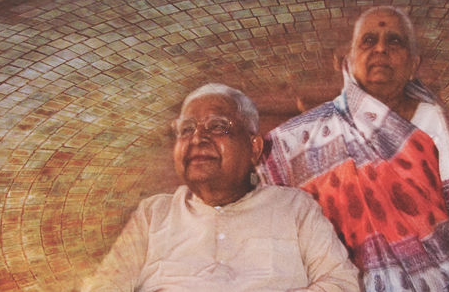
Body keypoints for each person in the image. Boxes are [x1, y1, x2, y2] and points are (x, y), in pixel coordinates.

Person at [259, 7, 449, 292]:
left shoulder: (437, 124)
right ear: (348, 59)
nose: (380, 48)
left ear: (414, 63)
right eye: (368, 40)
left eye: (394, 41)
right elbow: (253, 184)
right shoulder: (307, 136)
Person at [82, 83, 359, 292]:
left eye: (217, 127)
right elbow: (105, 285)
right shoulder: (153, 214)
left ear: (254, 148)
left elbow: (341, 283)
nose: (197, 138)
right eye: (186, 129)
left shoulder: (295, 209)